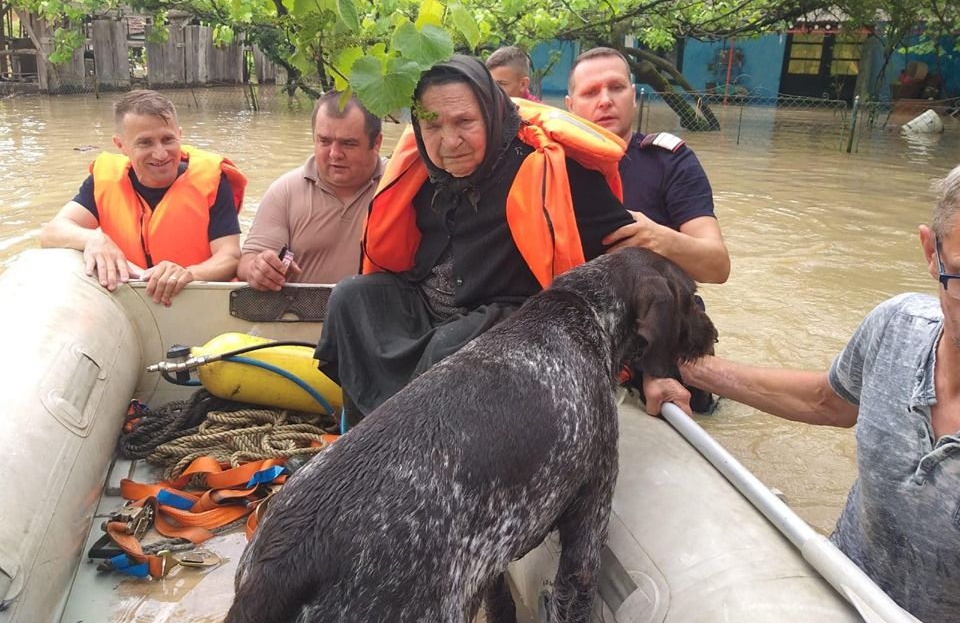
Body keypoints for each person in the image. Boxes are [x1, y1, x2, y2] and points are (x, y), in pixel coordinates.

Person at [644, 165, 960, 623]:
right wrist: (686, 369)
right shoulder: (895, 327)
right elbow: (826, 401)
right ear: (932, 253)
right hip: (834, 592)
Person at [315, 54, 636, 423]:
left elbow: (627, 251)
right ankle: (360, 433)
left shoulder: (554, 166)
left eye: (464, 122)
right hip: (429, 306)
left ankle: (412, 450)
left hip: (514, 318)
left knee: (449, 345)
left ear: (490, 112)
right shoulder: (423, 168)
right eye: (432, 126)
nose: (450, 142)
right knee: (350, 298)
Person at [40, 89, 245, 306]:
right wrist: (93, 239)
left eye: (168, 139)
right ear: (121, 145)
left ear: (180, 135)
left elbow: (230, 256)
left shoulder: (212, 181)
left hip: (194, 299)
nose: (160, 154)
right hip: (133, 300)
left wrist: (188, 274)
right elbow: (51, 232)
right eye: (145, 143)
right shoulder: (104, 180)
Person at [565, 47, 729, 285]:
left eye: (616, 88)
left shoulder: (670, 161)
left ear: (633, 95)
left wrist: (659, 240)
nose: (605, 101)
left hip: (657, 311)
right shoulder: (550, 165)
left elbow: (718, 266)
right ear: (571, 106)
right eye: (590, 93)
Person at [238, 91, 384, 290]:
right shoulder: (285, 192)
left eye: (348, 144)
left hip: (376, 317)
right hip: (298, 317)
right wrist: (259, 269)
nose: (334, 154)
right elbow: (247, 262)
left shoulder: (399, 184)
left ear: (376, 143)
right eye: (324, 141)